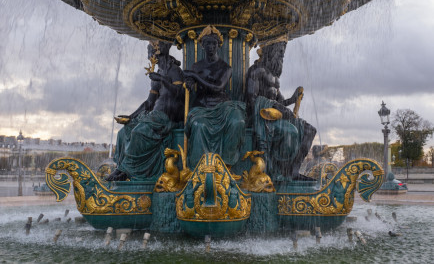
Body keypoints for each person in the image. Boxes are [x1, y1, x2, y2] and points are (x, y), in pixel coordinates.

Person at [106, 41, 184, 181]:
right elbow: (149, 103)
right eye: (150, 57)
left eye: (154, 57)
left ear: (160, 54)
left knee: (138, 132)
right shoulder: (158, 73)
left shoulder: (174, 71)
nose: (152, 60)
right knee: (124, 132)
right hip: (154, 114)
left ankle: (126, 171)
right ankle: (120, 168)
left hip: (167, 116)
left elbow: (180, 93)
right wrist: (130, 117)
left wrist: (162, 79)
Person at [246, 39, 316, 180]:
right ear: (268, 52)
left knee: (310, 130)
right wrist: (271, 106)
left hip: (276, 115)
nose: (281, 58)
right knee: (291, 132)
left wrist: (293, 98)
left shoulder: (275, 78)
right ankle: (278, 168)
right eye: (279, 54)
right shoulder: (257, 71)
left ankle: (293, 171)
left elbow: (281, 103)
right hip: (262, 117)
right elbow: (251, 99)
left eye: (282, 55)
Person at [184, 25, 246, 168]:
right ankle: (202, 167)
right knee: (199, 126)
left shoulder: (226, 68)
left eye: (214, 43)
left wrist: (194, 76)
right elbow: (190, 83)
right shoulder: (196, 66)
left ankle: (226, 164)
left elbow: (218, 87)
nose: (211, 46)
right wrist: (188, 82)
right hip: (202, 107)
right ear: (202, 45)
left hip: (224, 107)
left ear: (218, 45)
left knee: (239, 122)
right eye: (207, 43)